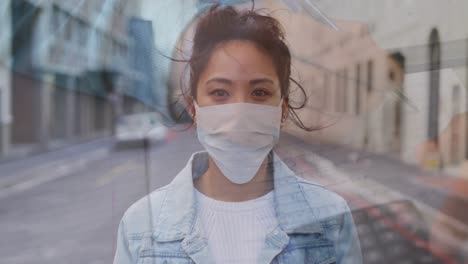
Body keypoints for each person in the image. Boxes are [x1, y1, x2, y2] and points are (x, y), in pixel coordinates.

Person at [113, 5, 362, 264]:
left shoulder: (332, 219)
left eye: (260, 93)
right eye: (220, 92)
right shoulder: (140, 227)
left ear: (282, 109)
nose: (239, 113)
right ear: (193, 108)